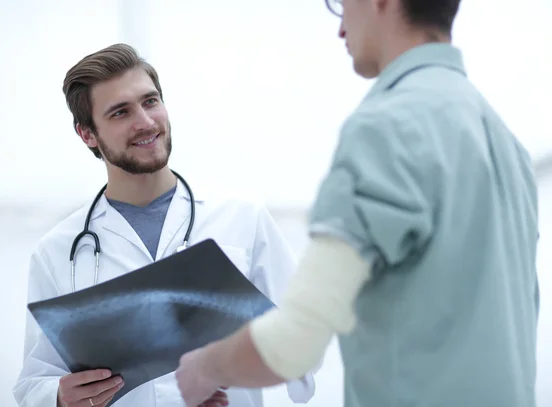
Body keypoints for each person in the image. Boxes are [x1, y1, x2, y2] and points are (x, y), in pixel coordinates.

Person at [175, 0, 540, 406]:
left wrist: (203, 367)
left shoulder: (387, 127)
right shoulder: (506, 143)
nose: (340, 26)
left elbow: (294, 342)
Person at [12, 43, 318, 407]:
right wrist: (60, 397)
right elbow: (34, 382)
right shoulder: (57, 251)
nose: (145, 121)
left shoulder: (242, 218)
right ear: (88, 134)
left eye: (150, 101)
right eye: (121, 112)